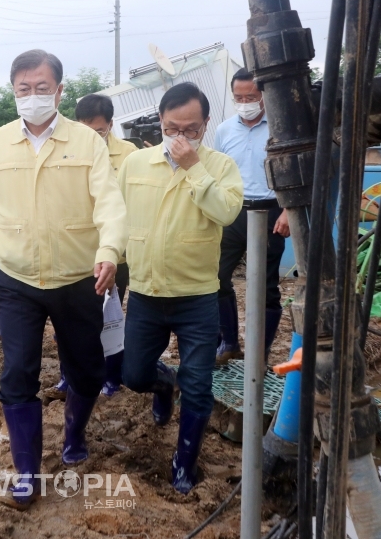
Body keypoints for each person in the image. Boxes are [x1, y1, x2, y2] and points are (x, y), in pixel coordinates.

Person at [0, 49, 127, 509]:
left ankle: (74, 434)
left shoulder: (87, 143)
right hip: (16, 278)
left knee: (87, 371)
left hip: (77, 279)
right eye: (24, 90)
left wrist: (109, 251)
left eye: (42, 88)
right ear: (14, 92)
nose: (33, 97)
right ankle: (26, 474)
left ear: (59, 91)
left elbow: (110, 202)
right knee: (18, 374)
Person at [119, 82, 243, 494]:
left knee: (199, 384)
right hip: (146, 293)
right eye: (173, 128)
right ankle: (162, 381)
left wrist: (194, 168)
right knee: (133, 373)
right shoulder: (135, 165)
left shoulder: (220, 166)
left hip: (197, 296)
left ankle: (184, 462)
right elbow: (118, 217)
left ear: (205, 125)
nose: (181, 138)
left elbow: (226, 211)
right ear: (160, 122)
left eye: (191, 130)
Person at [53, 93, 137, 398]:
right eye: (84, 129)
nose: (91, 137)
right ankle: (68, 375)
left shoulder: (129, 155)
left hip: (115, 256)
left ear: (111, 125)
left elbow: (128, 207)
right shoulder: (62, 152)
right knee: (67, 319)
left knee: (109, 317)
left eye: (98, 131)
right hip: (74, 253)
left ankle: (111, 376)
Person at [214, 68, 290, 365]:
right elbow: (216, 171)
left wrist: (287, 211)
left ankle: (260, 352)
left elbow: (296, 175)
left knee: (266, 286)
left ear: (263, 96)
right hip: (233, 211)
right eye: (238, 97)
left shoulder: (280, 128)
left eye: (251, 97)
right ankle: (229, 342)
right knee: (216, 276)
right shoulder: (224, 130)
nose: (244, 102)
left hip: (271, 211)